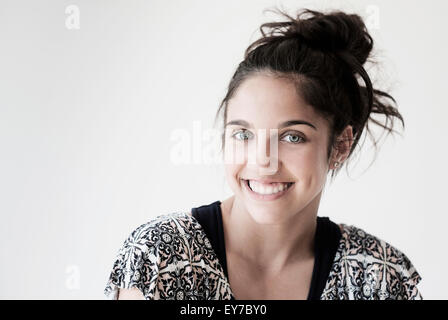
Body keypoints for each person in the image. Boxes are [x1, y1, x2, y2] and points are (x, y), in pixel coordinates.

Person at [104, 7, 422, 300]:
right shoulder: (160, 258)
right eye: (244, 134)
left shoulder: (379, 276)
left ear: (340, 146)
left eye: (292, 136)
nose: (262, 161)